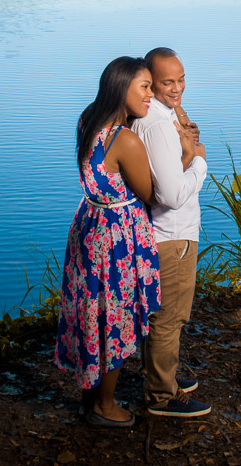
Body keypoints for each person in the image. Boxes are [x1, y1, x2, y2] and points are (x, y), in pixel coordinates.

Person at [53, 56, 165, 428]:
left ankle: (89, 395)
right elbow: (149, 193)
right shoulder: (125, 140)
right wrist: (186, 153)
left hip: (90, 223)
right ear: (122, 87)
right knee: (115, 319)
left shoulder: (89, 119)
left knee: (92, 313)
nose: (152, 95)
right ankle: (104, 405)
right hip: (118, 234)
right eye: (145, 87)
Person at [132, 47, 212, 418]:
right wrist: (199, 161)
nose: (177, 87)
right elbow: (172, 195)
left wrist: (186, 147)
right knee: (169, 318)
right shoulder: (157, 125)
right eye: (167, 82)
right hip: (172, 235)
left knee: (162, 315)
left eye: (181, 79)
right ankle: (162, 396)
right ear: (151, 79)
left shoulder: (159, 118)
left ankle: (162, 378)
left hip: (164, 233)